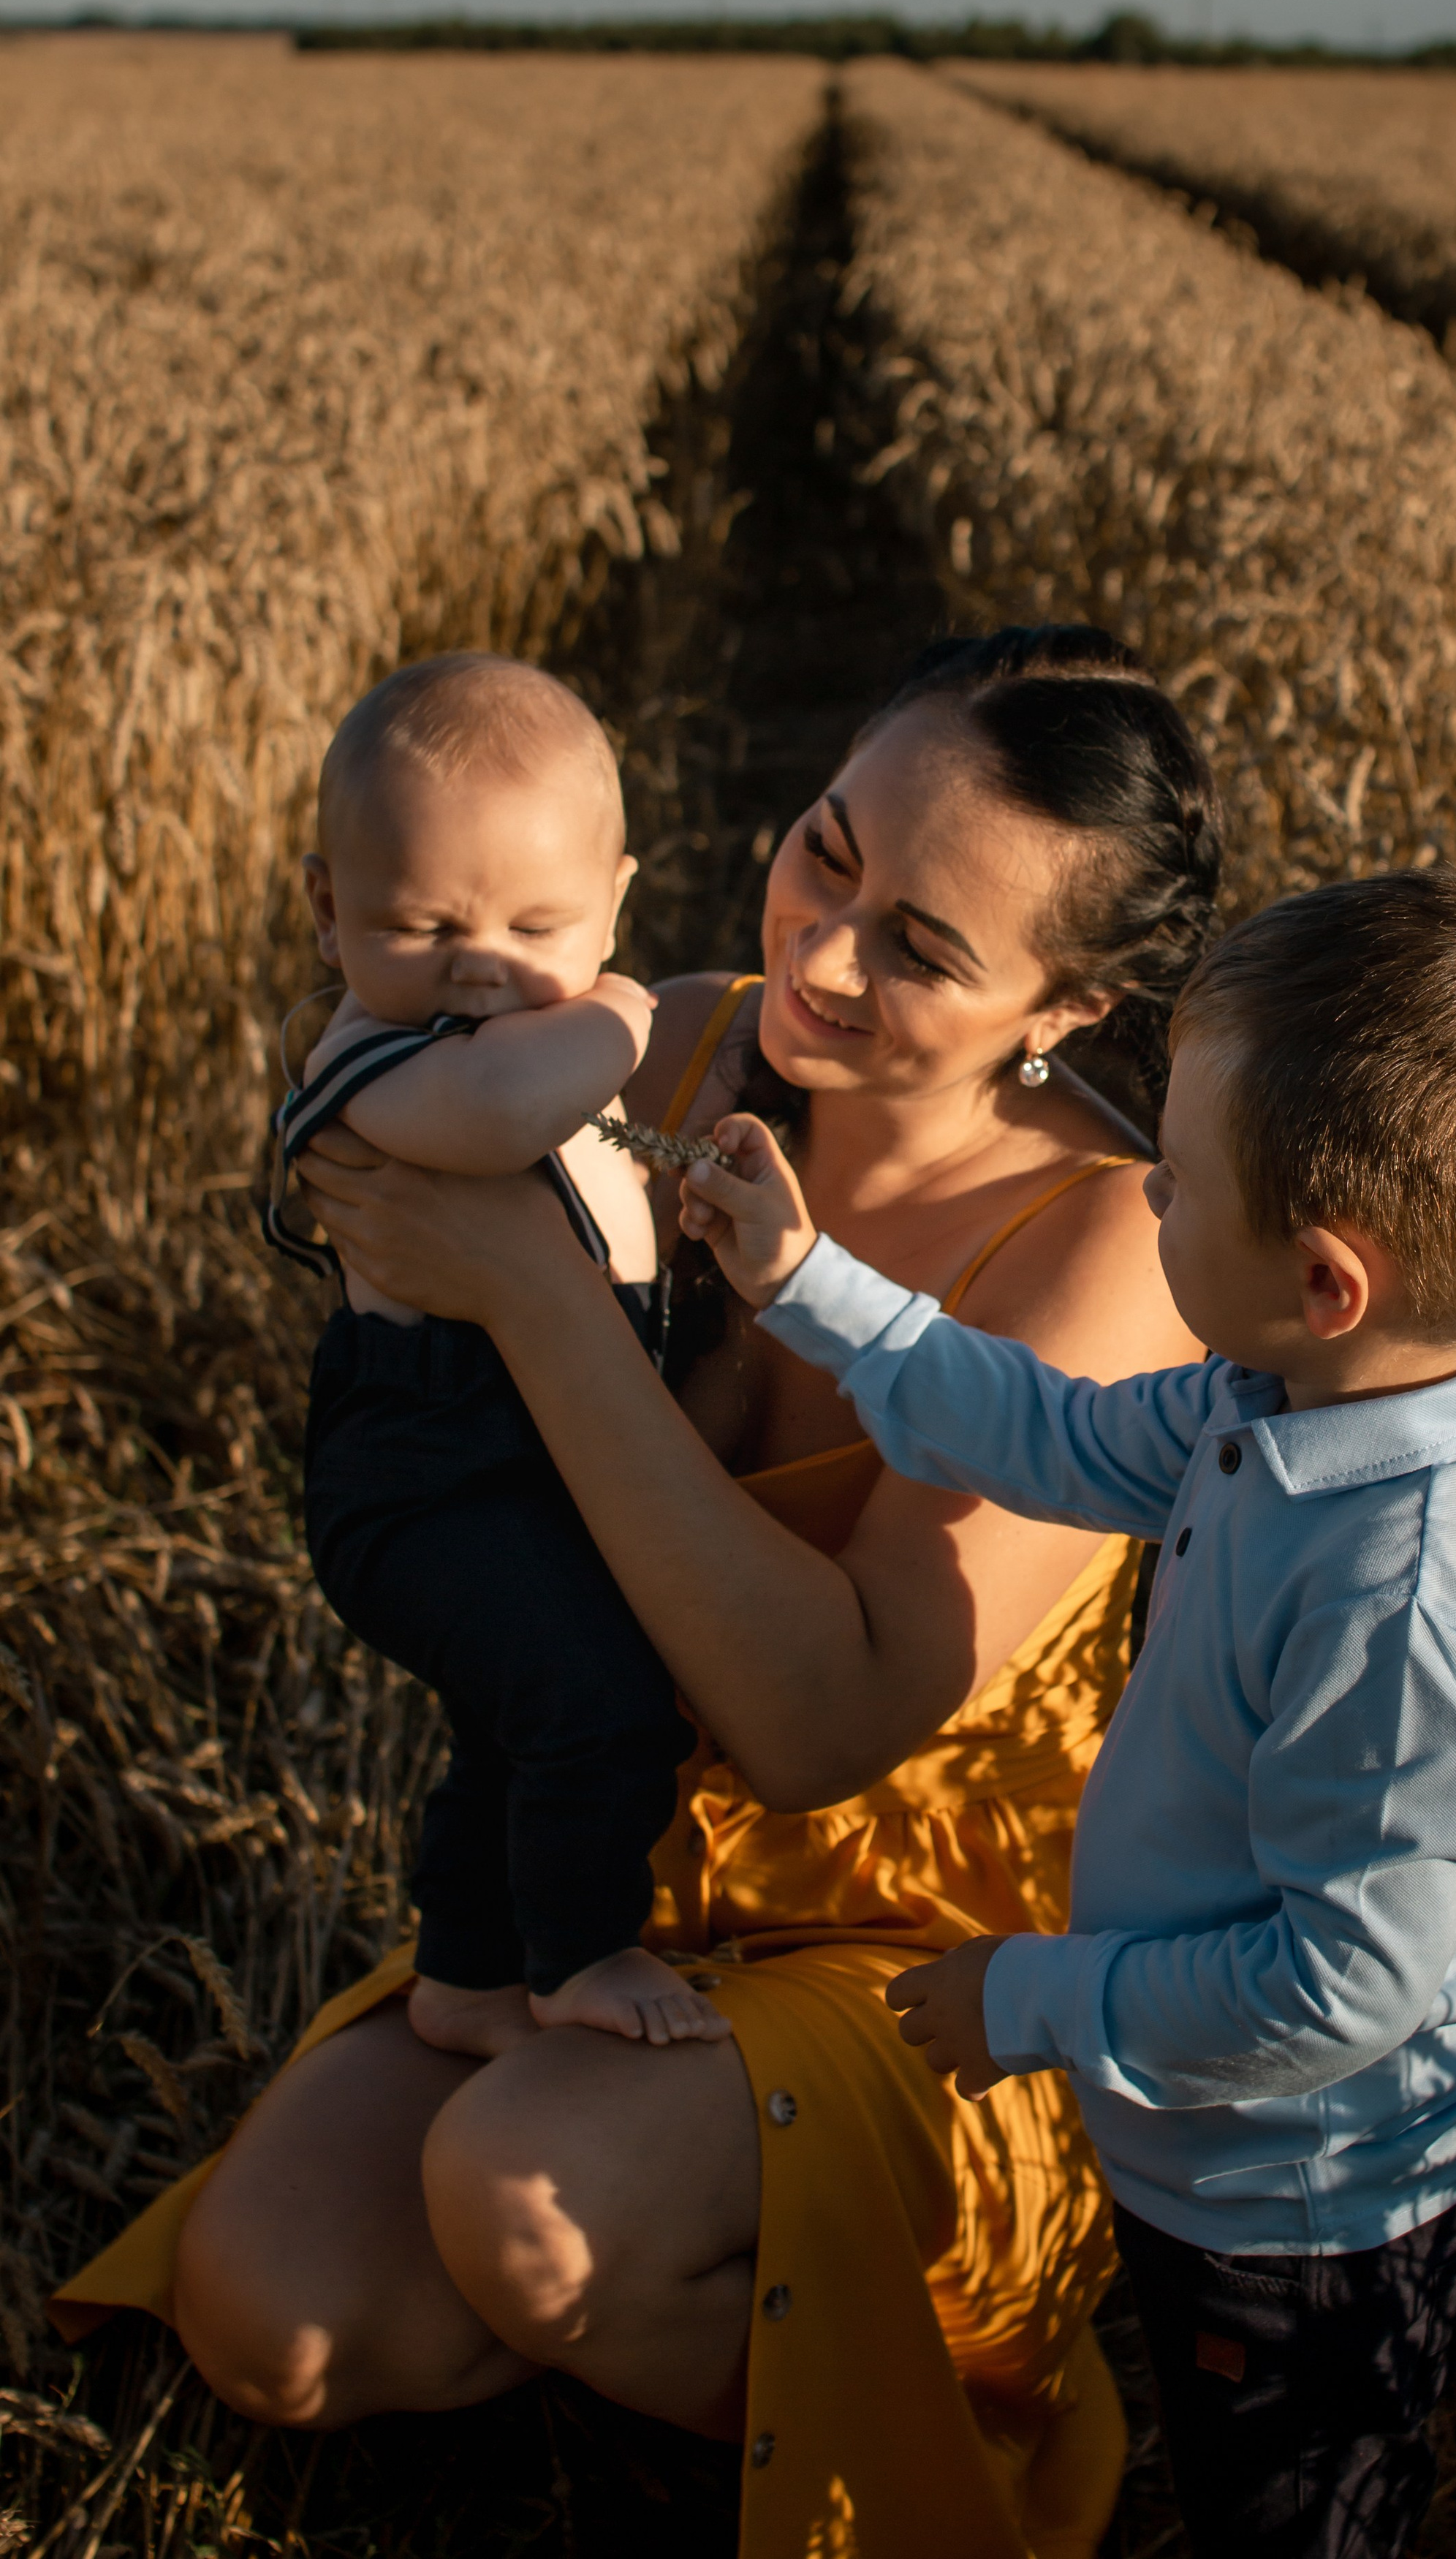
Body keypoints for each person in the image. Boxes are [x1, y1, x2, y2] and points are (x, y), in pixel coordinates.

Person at [50, 628, 1221, 2559]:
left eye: (922, 949)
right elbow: (356, 1156)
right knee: (274, 2317)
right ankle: (628, 2293)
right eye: (826, 852)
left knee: (523, 2196)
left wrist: (528, 1289)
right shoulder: (664, 1043)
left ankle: (889, 2444)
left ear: (1069, 1006)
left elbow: (822, 1721)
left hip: (924, 1994)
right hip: (587, 1886)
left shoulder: (1106, 1252)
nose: (821, 955)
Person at [679, 866, 1456, 2559]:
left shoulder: (1402, 1610)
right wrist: (807, 1281)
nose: (1145, 1207)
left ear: (1327, 1277)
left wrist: (1036, 1996)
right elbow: (1048, 1436)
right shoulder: (1271, 1399)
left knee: (1283, 2515)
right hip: (1228, 2156)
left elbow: (1339, 1984)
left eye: (1177, 1187)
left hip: (1318, 2223)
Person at [275, 651, 718, 2057]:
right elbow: (495, 1119)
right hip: (427, 1465)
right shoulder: (376, 1053)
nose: (481, 961)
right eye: (423, 921)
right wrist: (619, 1013)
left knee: (510, 1727)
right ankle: (579, 1953)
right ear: (328, 913)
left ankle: (468, 1972)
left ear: (618, 903)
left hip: (524, 1454)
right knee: (598, 1704)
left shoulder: (521, 1037)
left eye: (540, 920)